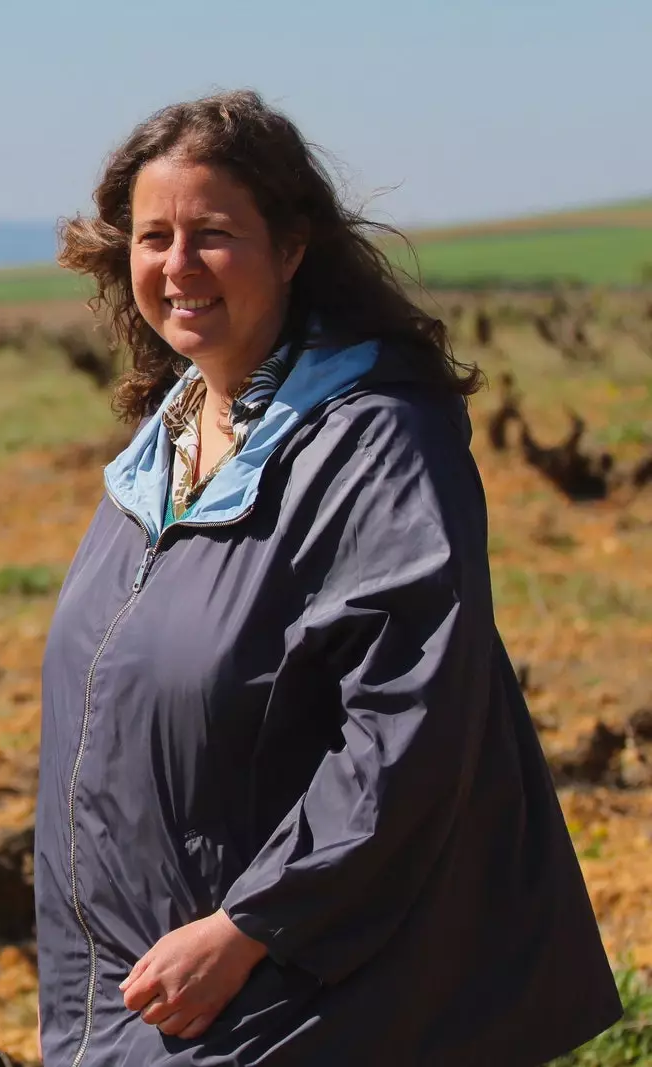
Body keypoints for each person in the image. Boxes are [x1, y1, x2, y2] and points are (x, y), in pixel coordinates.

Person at [33, 89, 622, 1065]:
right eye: (152, 236)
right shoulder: (167, 443)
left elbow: (407, 722)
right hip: (133, 980)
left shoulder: (373, 442)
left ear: (292, 246)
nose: (177, 266)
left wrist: (252, 925)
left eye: (212, 234)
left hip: (297, 985)